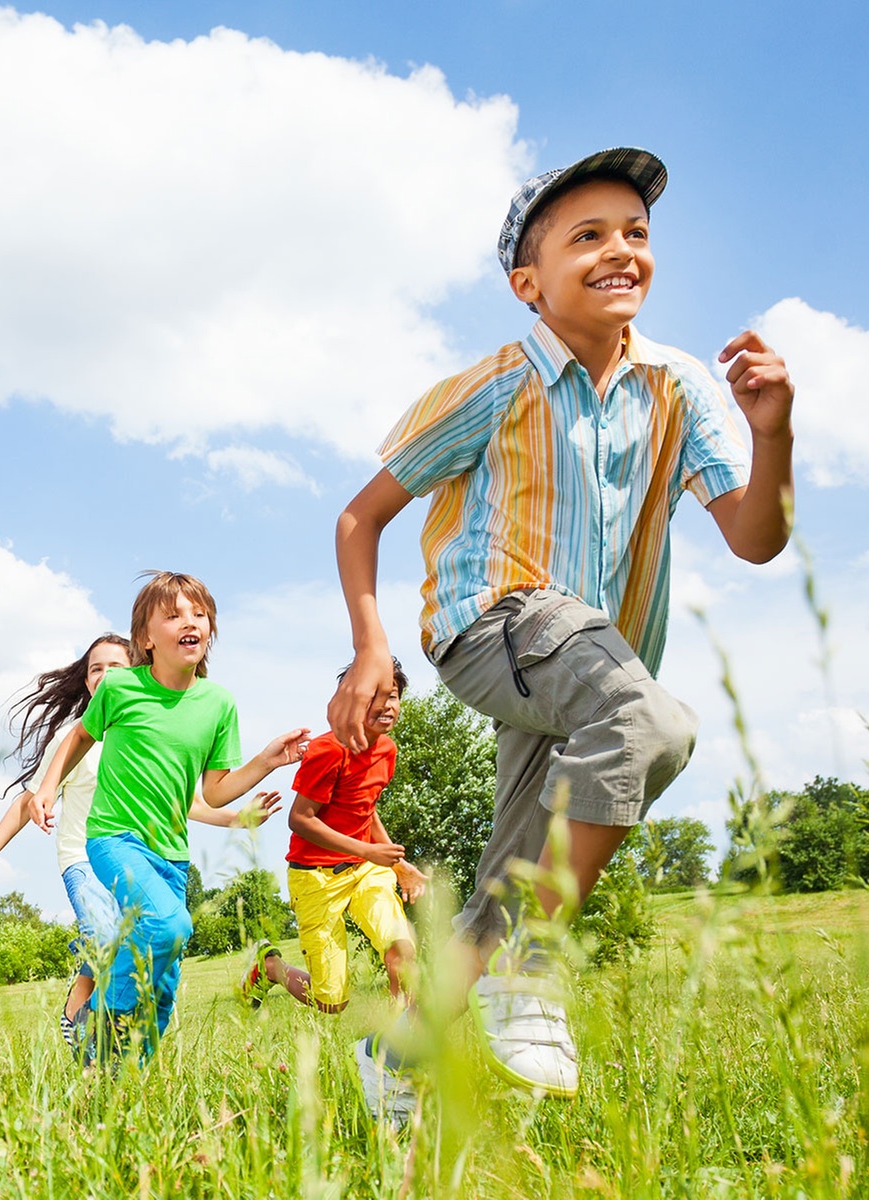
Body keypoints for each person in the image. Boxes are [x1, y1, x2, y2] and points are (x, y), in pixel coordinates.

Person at [328, 147, 795, 1117]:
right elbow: (358, 517)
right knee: (652, 727)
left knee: (508, 879)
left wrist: (771, 432)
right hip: (493, 624)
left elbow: (753, 539)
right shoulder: (492, 387)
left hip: (584, 668)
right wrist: (370, 647)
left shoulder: (675, 393)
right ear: (526, 283)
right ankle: (534, 975)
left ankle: (401, 1054)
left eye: (634, 232)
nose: (618, 250)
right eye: (587, 235)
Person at [0, 633, 285, 1048]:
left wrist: (237, 818)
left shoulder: (147, 731)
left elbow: (190, 803)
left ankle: (113, 1031)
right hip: (85, 860)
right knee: (109, 938)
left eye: (115, 668)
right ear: (87, 680)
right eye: (95, 668)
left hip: (141, 859)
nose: (105, 675)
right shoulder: (75, 737)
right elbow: (29, 799)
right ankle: (82, 1018)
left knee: (150, 946)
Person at [28, 571, 309, 1064]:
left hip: (171, 857)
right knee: (170, 926)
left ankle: (116, 1076)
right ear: (146, 639)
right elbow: (78, 737)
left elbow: (215, 790)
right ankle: (97, 1011)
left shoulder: (218, 704)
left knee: (163, 981)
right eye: (174, 614)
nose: (190, 622)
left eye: (199, 614)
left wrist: (266, 761)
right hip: (115, 838)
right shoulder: (120, 687)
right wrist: (48, 787)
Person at [238, 657, 424, 1016]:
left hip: (365, 872)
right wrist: (369, 851)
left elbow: (364, 808)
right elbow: (301, 819)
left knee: (401, 947)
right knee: (330, 1002)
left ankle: (400, 1041)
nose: (386, 705)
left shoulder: (387, 750)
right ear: (350, 700)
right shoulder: (328, 751)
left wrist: (399, 866)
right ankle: (270, 968)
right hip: (315, 878)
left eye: (393, 695)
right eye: (374, 697)